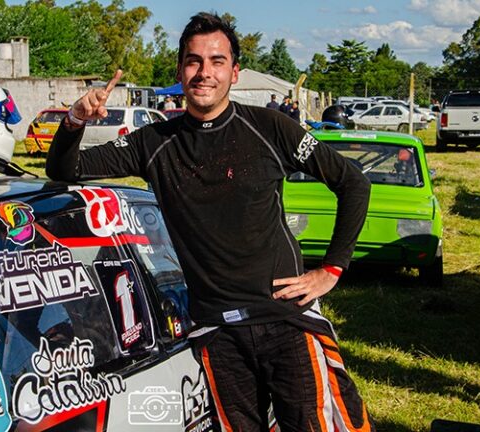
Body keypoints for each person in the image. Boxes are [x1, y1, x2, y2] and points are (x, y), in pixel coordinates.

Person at [46, 12, 373, 431]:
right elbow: (65, 169)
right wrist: (74, 119)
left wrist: (331, 269)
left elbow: (353, 183)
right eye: (194, 61)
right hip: (218, 331)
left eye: (217, 61)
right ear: (180, 70)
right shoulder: (155, 143)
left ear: (234, 72)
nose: (205, 72)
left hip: (286, 318)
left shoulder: (271, 127)